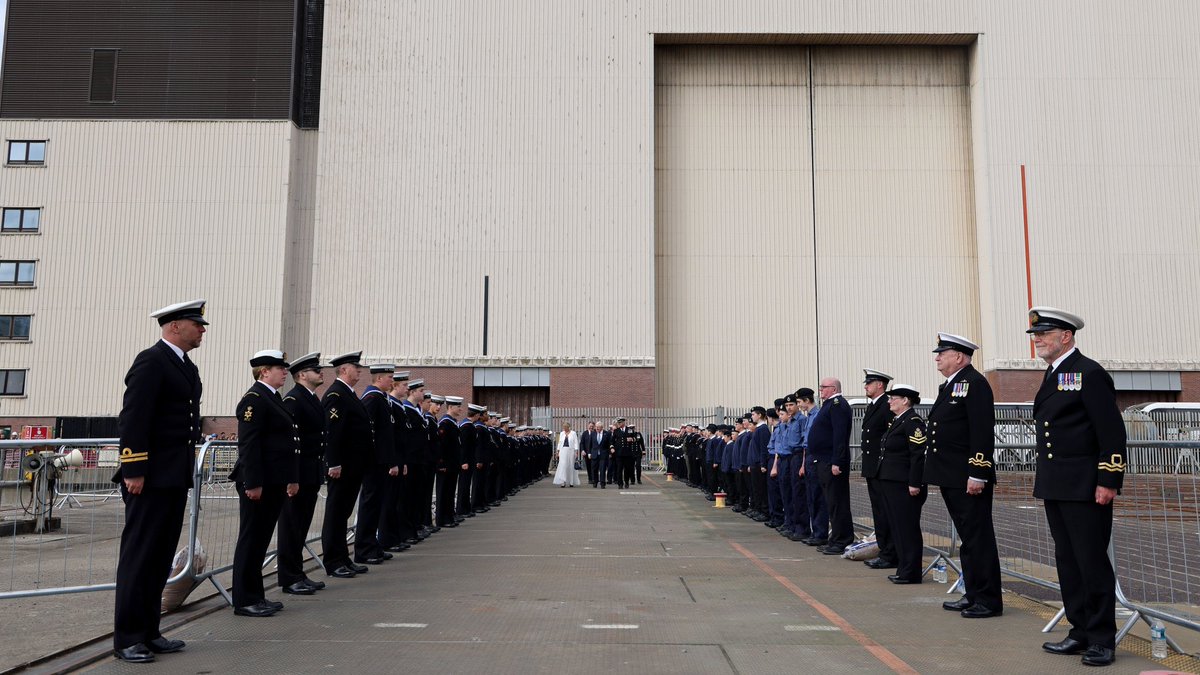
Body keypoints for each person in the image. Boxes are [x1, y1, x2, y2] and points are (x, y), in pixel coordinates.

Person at [1027, 307, 1125, 667]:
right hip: (1058, 484)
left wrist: (1108, 479)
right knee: (1067, 561)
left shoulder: (1089, 373)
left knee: (1091, 562)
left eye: (1044, 334)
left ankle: (1102, 639)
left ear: (1065, 336)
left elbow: (1111, 431)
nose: (1037, 340)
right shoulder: (1055, 373)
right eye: (1036, 335)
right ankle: (1079, 630)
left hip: (1086, 485)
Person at [112, 299, 206, 663]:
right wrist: (133, 467)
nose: (202, 329)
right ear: (173, 327)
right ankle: (128, 638)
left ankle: (150, 631)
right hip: (148, 477)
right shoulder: (151, 361)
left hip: (171, 475)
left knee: (159, 556)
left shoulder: (185, 366)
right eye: (196, 323)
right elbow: (134, 417)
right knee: (139, 557)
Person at [925, 332, 1003, 618]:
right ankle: (973, 592)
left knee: (978, 538)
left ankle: (988, 599)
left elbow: (981, 432)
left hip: (967, 476)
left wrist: (978, 472)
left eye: (941, 353)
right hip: (951, 475)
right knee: (968, 539)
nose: (937, 358)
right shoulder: (953, 385)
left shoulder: (974, 384)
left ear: (958, 356)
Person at [230, 350, 299, 617]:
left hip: (273, 481)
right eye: (280, 368)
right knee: (251, 539)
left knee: (259, 541)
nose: (285, 372)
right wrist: (253, 481)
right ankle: (244, 599)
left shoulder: (273, 398)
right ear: (264, 371)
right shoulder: (254, 400)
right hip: (258, 482)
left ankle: (256, 595)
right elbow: (249, 444)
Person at [278, 352, 329, 596]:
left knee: (302, 525)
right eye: (315, 370)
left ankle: (297, 573)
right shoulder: (294, 400)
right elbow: (292, 442)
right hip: (298, 473)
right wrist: (292, 477)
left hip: (311, 472)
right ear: (301, 375)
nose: (320, 372)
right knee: (291, 525)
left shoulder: (311, 398)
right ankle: (289, 577)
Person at [320, 351, 372, 579]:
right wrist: (334, 462)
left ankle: (343, 558)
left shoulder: (349, 394)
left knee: (343, 514)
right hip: (342, 467)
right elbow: (332, 433)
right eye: (355, 367)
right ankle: (333, 560)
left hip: (353, 466)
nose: (359, 370)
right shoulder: (336, 395)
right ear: (343, 370)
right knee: (336, 513)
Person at [876, 383, 928, 585]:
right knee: (897, 527)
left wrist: (915, 482)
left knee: (907, 528)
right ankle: (903, 568)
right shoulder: (899, 420)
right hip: (891, 482)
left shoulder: (912, 421)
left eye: (893, 398)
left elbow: (918, 455)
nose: (889, 401)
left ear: (905, 400)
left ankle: (911, 571)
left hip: (904, 484)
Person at [356, 364, 400, 565]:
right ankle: (364, 549)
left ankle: (371, 545)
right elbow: (368, 432)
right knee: (370, 504)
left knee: (376, 506)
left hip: (381, 461)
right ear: (380, 378)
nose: (392, 381)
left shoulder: (382, 398)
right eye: (390, 377)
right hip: (373, 462)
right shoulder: (371, 399)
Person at [807, 378, 853, 555]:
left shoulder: (837, 404)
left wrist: (837, 461)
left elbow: (840, 436)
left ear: (833, 389)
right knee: (831, 502)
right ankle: (835, 539)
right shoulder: (829, 404)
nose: (820, 390)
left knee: (838, 502)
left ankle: (842, 540)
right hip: (823, 460)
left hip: (831, 461)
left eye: (824, 387)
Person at [860, 369, 898, 570]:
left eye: (869, 383)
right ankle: (885, 551)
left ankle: (890, 553)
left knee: (885, 512)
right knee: (879, 512)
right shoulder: (874, 406)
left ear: (880, 385)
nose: (865, 386)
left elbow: (887, 437)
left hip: (881, 467)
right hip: (872, 467)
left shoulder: (886, 405)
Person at [553, 422, 581, 487]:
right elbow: (560, 443)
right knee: (563, 466)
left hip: (571, 451)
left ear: (569, 427)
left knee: (570, 466)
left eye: (566, 427)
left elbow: (575, 442)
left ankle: (571, 482)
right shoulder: (562, 433)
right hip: (563, 451)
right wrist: (558, 451)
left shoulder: (573, 433)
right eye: (564, 427)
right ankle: (563, 482)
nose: (565, 429)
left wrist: (576, 451)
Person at [590, 421, 611, 488]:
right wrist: (589, 453)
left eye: (598, 427)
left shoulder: (606, 433)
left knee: (602, 469)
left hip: (603, 455)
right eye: (596, 427)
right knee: (594, 469)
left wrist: (609, 453)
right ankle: (595, 482)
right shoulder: (593, 433)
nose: (596, 428)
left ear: (602, 427)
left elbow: (609, 444)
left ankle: (602, 483)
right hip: (594, 454)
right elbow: (590, 444)